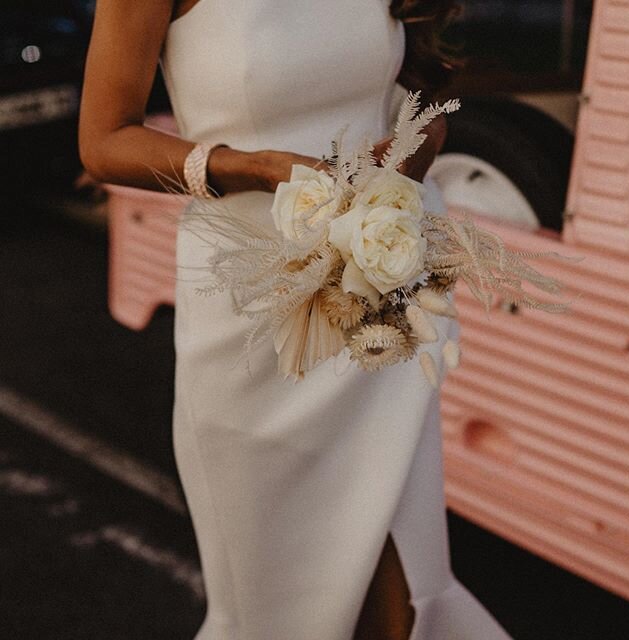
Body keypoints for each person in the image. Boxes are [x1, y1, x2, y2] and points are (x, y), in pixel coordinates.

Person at [79, 2, 513, 638]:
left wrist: (420, 142)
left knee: (400, 579)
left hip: (377, 292)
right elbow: (104, 140)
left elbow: (411, 92)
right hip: (254, 314)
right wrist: (257, 168)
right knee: (286, 597)